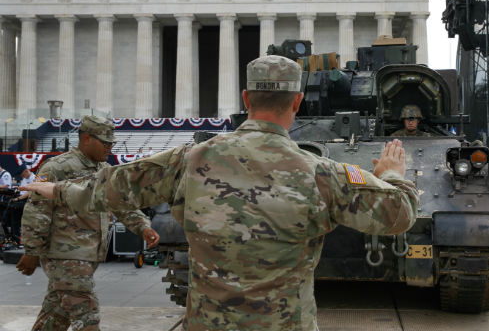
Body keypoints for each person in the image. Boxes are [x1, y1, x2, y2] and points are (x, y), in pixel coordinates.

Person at [21, 55, 420, 331]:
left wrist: (57, 189)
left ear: (246, 100)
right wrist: (394, 175)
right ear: (297, 101)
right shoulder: (323, 173)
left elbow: (112, 186)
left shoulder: (190, 159)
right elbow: (398, 215)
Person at [17, 115, 160, 331]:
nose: (109, 147)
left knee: (56, 315)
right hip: (65, 255)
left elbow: (118, 201)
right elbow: (38, 210)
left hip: (88, 254)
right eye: (105, 142)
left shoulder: (103, 169)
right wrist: (31, 251)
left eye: (112, 143)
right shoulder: (57, 167)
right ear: (86, 139)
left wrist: (142, 226)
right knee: (87, 316)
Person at [6, 165, 35, 243]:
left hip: (28, 200)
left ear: (26, 171)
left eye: (22, 175)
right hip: (21, 197)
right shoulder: (24, 179)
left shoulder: (34, 178)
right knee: (8, 205)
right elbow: (21, 189)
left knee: (14, 208)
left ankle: (16, 234)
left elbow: (30, 192)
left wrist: (18, 199)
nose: (22, 176)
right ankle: (12, 232)